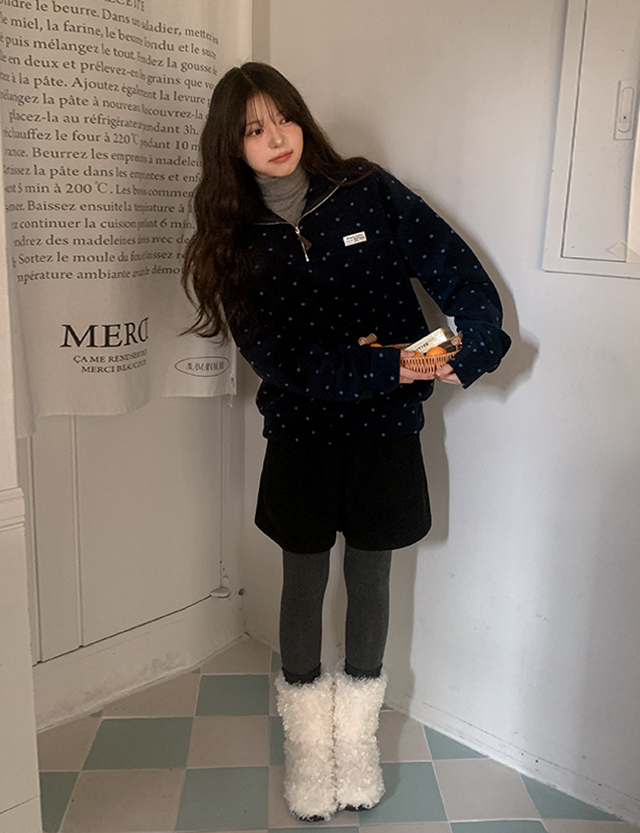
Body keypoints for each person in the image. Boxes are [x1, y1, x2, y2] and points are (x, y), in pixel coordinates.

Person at [182, 61, 511, 822]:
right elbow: (285, 363)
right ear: (231, 146)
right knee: (302, 583)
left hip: (385, 435)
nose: (276, 138)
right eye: (254, 129)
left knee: (371, 580)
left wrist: (473, 342)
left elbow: (456, 270)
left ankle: (356, 746)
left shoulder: (366, 188)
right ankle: (309, 749)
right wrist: (393, 363)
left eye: (283, 118)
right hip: (301, 438)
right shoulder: (232, 242)